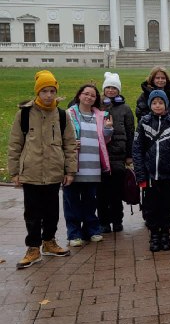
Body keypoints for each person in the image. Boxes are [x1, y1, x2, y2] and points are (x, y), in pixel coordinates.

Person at [8, 70, 77, 269]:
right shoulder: (25, 114)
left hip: (54, 172)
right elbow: (14, 144)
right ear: (37, 92)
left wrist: (69, 171)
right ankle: (33, 247)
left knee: (51, 211)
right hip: (31, 172)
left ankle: (49, 241)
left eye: (52, 91)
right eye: (44, 91)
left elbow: (70, 144)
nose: (48, 95)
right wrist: (14, 172)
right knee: (32, 212)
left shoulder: (62, 116)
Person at [133, 89, 170, 252]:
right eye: (154, 103)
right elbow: (137, 150)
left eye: (160, 103)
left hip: (168, 175)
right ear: (150, 105)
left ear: (166, 105)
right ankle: (154, 234)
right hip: (149, 176)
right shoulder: (143, 123)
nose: (157, 105)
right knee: (151, 207)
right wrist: (141, 175)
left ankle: (165, 233)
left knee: (167, 206)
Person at [64, 84, 113, 247]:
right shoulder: (68, 114)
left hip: (93, 167)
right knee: (72, 202)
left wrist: (108, 130)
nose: (89, 97)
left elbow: (103, 140)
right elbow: (61, 137)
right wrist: (71, 144)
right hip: (73, 167)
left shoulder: (100, 115)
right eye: (86, 94)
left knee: (90, 201)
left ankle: (91, 230)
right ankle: (74, 233)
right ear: (79, 95)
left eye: (93, 95)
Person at [97, 72, 135, 234]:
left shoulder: (125, 109)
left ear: (118, 90)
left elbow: (130, 131)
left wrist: (129, 154)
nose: (111, 90)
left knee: (116, 192)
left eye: (114, 88)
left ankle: (117, 220)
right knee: (101, 193)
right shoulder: (97, 107)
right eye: (108, 87)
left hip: (119, 156)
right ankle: (104, 221)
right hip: (101, 155)